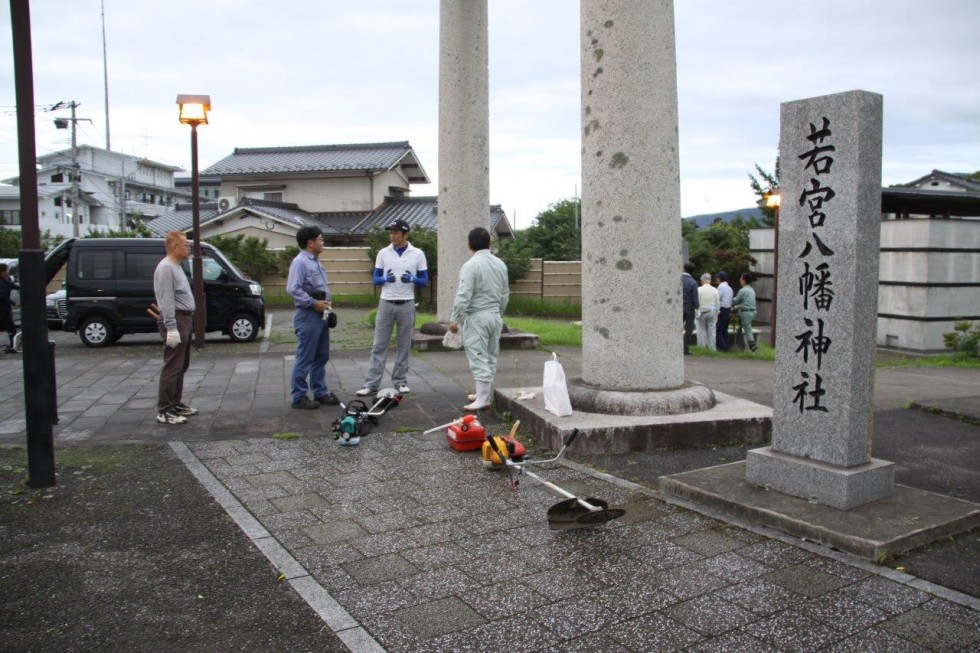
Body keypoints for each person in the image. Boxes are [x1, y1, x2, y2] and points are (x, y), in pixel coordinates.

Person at [357, 218, 428, 397]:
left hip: (407, 302)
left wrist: (412, 279)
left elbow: (424, 281)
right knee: (379, 344)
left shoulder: (417, 254)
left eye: (396, 233)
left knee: (403, 344)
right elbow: (375, 279)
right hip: (386, 302)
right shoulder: (383, 253)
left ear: (405, 234)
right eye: (391, 232)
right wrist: (384, 279)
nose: (392, 236)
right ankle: (371, 384)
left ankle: (401, 381)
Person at [449, 227, 509, 411]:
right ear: (489, 243)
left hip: (477, 317)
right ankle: (483, 393)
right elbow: (505, 293)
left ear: (469, 245)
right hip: (494, 315)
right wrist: (499, 313)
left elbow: (464, 295)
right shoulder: (500, 264)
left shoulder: (470, 266)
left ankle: (483, 398)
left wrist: (455, 319)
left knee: (478, 356)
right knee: (490, 355)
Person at [286, 225, 339, 409]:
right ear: (310, 243)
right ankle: (299, 396)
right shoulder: (300, 262)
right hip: (308, 315)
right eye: (320, 239)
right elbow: (293, 288)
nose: (322, 242)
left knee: (321, 355)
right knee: (305, 357)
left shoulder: (315, 261)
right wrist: (312, 303)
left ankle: (320, 391)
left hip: (321, 315)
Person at [153, 231, 198, 424]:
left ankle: (175, 402)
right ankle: (165, 409)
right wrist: (171, 327)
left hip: (185, 319)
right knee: (172, 366)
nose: (188, 248)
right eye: (185, 245)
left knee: (182, 364)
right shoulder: (166, 268)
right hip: (176, 320)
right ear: (174, 247)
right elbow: (167, 299)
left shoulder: (176, 266)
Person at [732, 271, 758, 352]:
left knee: (748, 330)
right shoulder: (751, 290)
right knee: (747, 328)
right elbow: (746, 302)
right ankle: (747, 346)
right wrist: (737, 307)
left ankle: (752, 346)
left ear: (743, 280)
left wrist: (729, 298)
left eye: (741, 278)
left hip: (746, 312)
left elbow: (735, 301)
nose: (740, 280)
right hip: (753, 312)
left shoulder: (742, 291)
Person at [696, 273, 720, 351]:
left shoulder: (699, 289)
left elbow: (697, 303)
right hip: (712, 311)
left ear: (702, 280)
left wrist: (696, 312)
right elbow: (717, 304)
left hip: (701, 312)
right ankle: (712, 349)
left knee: (701, 331)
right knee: (712, 331)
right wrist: (716, 314)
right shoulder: (715, 290)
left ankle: (702, 348)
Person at [0, 263, 19, 353]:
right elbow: (2, 297)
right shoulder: (1, 282)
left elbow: (12, 285)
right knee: (10, 327)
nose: (8, 271)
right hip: (3, 309)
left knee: (10, 328)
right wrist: (13, 303)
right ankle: (12, 346)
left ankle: (13, 345)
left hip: (6, 308)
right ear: (2, 272)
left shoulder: (5, 280)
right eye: (7, 270)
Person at [681, 261, 699, 355]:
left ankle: (676, 344)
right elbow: (695, 297)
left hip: (679, 306)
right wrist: (697, 307)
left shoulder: (678, 279)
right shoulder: (693, 282)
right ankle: (685, 346)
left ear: (684, 268)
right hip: (689, 306)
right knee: (689, 327)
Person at [715, 271, 734, 351]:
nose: (716, 280)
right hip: (728, 310)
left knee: (718, 330)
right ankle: (726, 345)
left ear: (719, 279)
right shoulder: (730, 288)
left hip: (722, 310)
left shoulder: (721, 287)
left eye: (717, 278)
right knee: (724, 330)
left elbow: (717, 298)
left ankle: (722, 348)